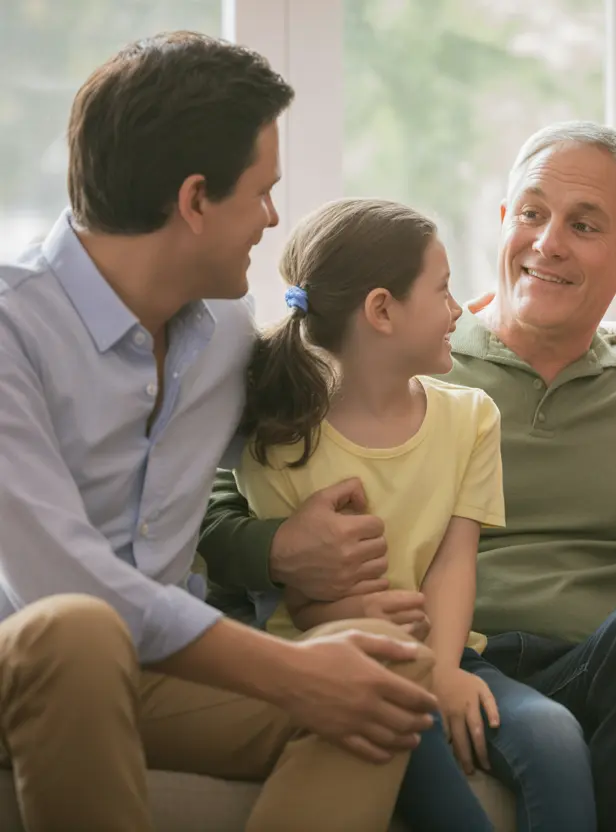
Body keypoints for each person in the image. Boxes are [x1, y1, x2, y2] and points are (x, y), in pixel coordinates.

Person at [199, 120, 616, 831]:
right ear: (503, 221)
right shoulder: (398, 362)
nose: (548, 243)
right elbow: (215, 511)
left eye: (584, 225)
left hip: (591, 669)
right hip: (442, 652)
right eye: (532, 214)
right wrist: (282, 552)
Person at [0, 33, 440, 832]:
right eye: (263, 192)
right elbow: (67, 586)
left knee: (383, 664)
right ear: (196, 200)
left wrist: (582, 331)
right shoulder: (11, 331)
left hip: (158, 673)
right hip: (29, 662)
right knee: (79, 629)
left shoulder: (225, 335)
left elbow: (352, 368)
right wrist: (291, 671)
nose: (274, 219)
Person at [234, 196, 595, 831]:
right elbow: (298, 596)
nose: (460, 310)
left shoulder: (470, 417)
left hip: (445, 649)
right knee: (401, 719)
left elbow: (456, 561)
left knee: (555, 738)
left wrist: (448, 671)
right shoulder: (282, 436)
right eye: (443, 290)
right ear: (381, 310)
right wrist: (385, 644)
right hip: (328, 656)